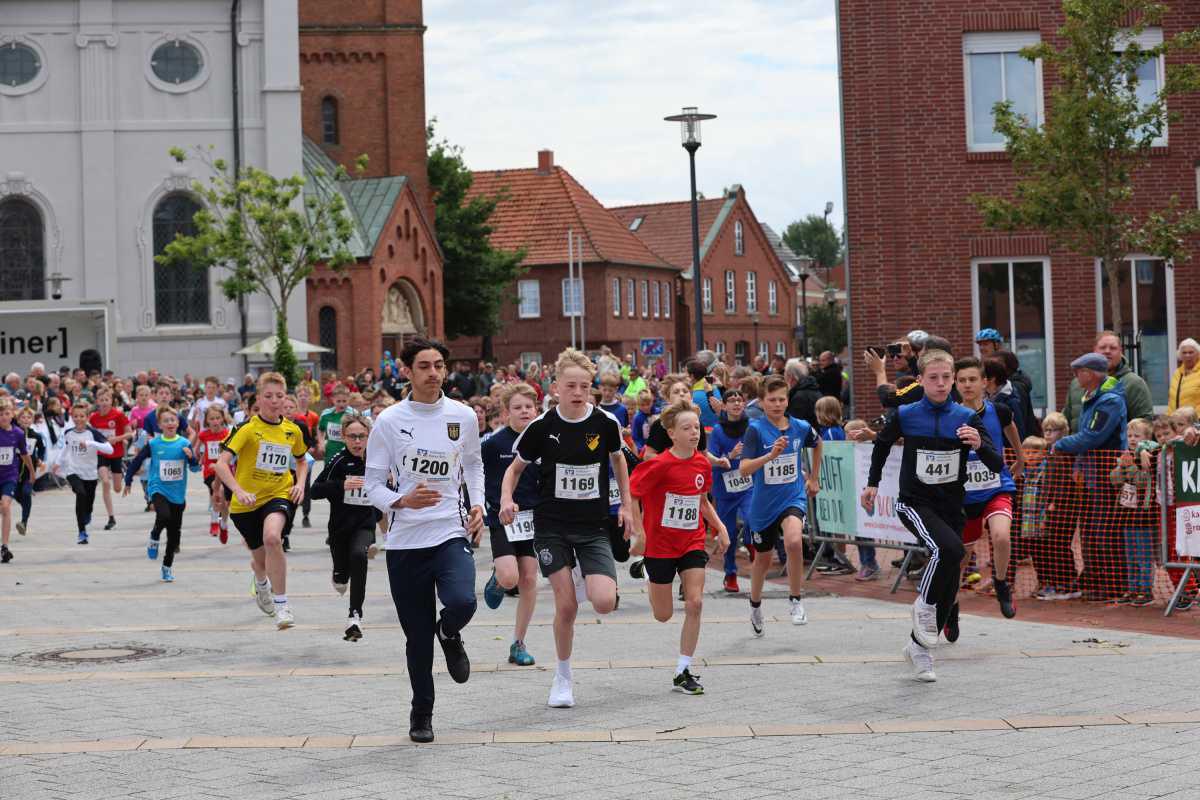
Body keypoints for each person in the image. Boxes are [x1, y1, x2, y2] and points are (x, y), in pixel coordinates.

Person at [500, 348, 638, 710]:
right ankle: (563, 677)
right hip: (552, 527)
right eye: (571, 386)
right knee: (567, 606)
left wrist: (626, 504)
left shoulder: (605, 423)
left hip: (592, 526)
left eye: (585, 386)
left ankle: (583, 572)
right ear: (556, 387)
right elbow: (513, 469)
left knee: (605, 602)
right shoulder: (542, 427)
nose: (578, 392)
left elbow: (619, 460)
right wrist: (506, 500)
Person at [364, 338, 484, 744]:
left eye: (438, 365)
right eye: (424, 366)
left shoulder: (463, 416)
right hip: (405, 543)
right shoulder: (389, 421)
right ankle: (421, 713)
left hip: (449, 531)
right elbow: (372, 485)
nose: (433, 373)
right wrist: (402, 499)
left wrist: (479, 505)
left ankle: (449, 632)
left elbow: (473, 464)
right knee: (417, 640)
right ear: (407, 372)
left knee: (464, 601)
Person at [860, 350, 1004, 683]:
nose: (941, 384)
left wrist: (978, 444)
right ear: (921, 380)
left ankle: (919, 648)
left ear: (953, 379)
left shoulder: (965, 416)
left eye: (946, 378)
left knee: (950, 580)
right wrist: (872, 484)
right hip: (914, 502)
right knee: (949, 551)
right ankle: (922, 605)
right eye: (933, 378)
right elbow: (881, 446)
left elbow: (997, 463)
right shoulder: (906, 414)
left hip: (951, 506)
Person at [629, 400, 729, 695]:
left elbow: (701, 500)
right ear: (671, 433)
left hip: (691, 541)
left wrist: (720, 527)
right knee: (663, 614)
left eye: (696, 428)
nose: (694, 433)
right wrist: (639, 531)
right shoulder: (657, 465)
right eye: (686, 428)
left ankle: (683, 670)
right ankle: (649, 573)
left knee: (695, 602)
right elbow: (633, 494)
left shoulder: (700, 462)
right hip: (659, 546)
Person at [214, 372, 309, 629]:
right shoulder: (245, 429)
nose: (274, 401)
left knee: (272, 538)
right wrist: (237, 490)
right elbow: (221, 465)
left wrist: (299, 484)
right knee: (259, 560)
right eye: (268, 396)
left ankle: (282, 605)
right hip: (245, 504)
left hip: (278, 494)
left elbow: (302, 461)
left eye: (279, 396)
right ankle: (261, 581)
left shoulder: (292, 430)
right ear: (259, 398)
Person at [738, 375, 823, 633]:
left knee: (794, 541)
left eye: (781, 399)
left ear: (788, 400)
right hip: (763, 504)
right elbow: (743, 469)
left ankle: (796, 600)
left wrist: (814, 478)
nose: (777, 404)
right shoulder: (755, 429)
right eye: (771, 400)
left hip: (792, 496)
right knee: (762, 561)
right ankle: (755, 605)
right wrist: (770, 455)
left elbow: (818, 444)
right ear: (762, 402)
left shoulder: (800, 426)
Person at [951, 357, 1025, 632]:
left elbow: (1010, 428)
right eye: (962, 380)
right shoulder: (950, 415)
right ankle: (951, 604)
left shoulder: (1000, 410)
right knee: (960, 558)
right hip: (965, 496)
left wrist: (1019, 456)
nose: (968, 385)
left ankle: (1001, 583)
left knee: (1002, 536)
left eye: (973, 379)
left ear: (985, 382)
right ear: (955, 384)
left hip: (997, 486)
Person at [1053, 352, 1129, 602]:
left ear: (1093, 374)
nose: (1076, 376)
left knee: (1104, 531)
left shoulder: (1109, 401)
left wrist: (1061, 444)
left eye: (1080, 371)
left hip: (1106, 475)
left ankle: (1113, 584)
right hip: (1090, 474)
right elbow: (1085, 436)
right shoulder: (1090, 398)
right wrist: (1078, 464)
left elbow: (1091, 436)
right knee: (1089, 531)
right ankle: (1094, 580)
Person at [480, 383, 542, 666]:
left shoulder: (544, 439)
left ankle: (518, 643)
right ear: (506, 413)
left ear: (536, 409)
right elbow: (474, 474)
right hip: (501, 518)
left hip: (532, 519)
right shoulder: (493, 444)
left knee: (530, 579)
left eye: (528, 407)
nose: (524, 412)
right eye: (517, 408)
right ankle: (497, 579)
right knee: (510, 578)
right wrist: (479, 507)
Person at [311, 413, 381, 641]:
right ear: (343, 437)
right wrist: (342, 485)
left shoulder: (377, 460)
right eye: (352, 437)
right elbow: (315, 490)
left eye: (362, 436)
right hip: (340, 528)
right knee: (341, 579)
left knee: (359, 556)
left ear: (369, 437)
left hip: (365, 524)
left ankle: (355, 616)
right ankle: (339, 574)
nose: (358, 441)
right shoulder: (338, 461)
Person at [123, 407, 197, 582]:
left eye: (173, 420)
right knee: (163, 515)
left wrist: (191, 457)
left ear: (178, 422)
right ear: (160, 425)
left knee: (173, 534)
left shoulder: (185, 444)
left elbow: (195, 468)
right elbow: (137, 460)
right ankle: (154, 536)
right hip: (158, 487)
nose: (170, 423)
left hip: (177, 493)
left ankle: (167, 567)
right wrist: (127, 480)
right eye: (166, 421)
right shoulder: (154, 444)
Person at [708, 388, 754, 593]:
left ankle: (751, 542)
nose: (736, 403)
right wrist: (731, 455)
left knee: (753, 518)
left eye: (739, 400)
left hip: (747, 484)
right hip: (725, 487)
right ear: (724, 406)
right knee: (729, 533)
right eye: (731, 400)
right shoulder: (718, 431)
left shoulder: (752, 426)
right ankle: (730, 573)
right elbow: (713, 460)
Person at [53, 400, 115, 544]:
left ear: (87, 417)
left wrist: (90, 443)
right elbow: (65, 449)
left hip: (91, 474)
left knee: (88, 503)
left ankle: (87, 514)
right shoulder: (68, 433)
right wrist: (57, 463)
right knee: (80, 495)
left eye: (82, 416)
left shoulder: (92, 433)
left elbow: (109, 449)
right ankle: (82, 532)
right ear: (72, 417)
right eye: (76, 416)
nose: (78, 419)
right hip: (73, 471)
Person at [1063, 331, 1152, 430]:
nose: (1107, 351)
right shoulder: (1076, 384)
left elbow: (1145, 425)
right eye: (1102, 347)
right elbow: (1065, 422)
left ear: (1120, 351)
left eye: (1113, 348)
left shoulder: (1134, 383)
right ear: (1094, 351)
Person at [90, 387, 132, 532]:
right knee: (105, 483)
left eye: (107, 400)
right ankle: (111, 517)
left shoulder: (118, 415)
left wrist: (117, 439)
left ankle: (120, 476)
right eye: (101, 400)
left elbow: (129, 433)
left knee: (117, 488)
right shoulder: (93, 418)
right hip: (101, 455)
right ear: (97, 402)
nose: (104, 403)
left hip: (116, 454)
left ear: (111, 401)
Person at [0, 399, 32, 563]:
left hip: (9, 476)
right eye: (0, 414)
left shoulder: (18, 433)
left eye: (6, 413)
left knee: (5, 506)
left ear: (12, 414)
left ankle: (4, 547)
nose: (3, 417)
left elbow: (25, 455)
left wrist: (32, 472)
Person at [194, 405, 231, 543]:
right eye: (212, 419)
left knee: (225, 504)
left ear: (222, 419)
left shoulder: (227, 434)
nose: (215, 421)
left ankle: (224, 524)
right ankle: (214, 522)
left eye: (217, 418)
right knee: (217, 493)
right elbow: (196, 451)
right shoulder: (204, 435)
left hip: (226, 472)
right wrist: (194, 458)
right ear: (207, 421)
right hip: (210, 471)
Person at [14, 406, 43, 538]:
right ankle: (26, 505)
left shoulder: (36, 436)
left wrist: (40, 460)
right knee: (19, 496)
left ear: (32, 420)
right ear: (18, 419)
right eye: (23, 417)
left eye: (29, 417)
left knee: (26, 493)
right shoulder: (13, 433)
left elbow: (41, 448)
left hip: (29, 471)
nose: (26, 419)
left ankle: (24, 522)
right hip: (14, 470)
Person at [784, 358, 821, 428]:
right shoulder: (813, 388)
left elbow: (795, 424)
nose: (784, 379)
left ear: (791, 377)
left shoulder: (799, 397)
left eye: (785, 375)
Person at [319, 384, 350, 462]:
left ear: (348, 400)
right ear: (333, 400)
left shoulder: (352, 416)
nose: (341, 404)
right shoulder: (326, 416)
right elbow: (320, 429)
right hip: (330, 452)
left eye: (344, 401)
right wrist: (321, 443)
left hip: (347, 452)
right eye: (338, 401)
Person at [1169, 338, 1200, 414]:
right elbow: (1172, 401)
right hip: (1177, 421)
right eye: (1184, 353)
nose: (1187, 355)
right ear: (1180, 355)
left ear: (1198, 354)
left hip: (1195, 421)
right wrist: (1169, 418)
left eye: (1191, 352)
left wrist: (1194, 418)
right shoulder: (1177, 373)